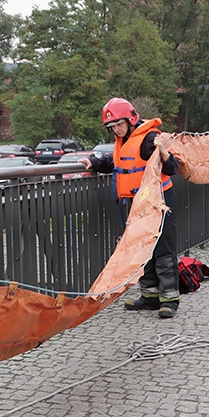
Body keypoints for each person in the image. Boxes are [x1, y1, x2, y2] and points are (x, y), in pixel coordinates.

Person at [80, 97, 181, 319]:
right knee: (141, 250)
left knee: (163, 250)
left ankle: (169, 299)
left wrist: (164, 154)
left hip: (159, 201)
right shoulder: (124, 140)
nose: (116, 129)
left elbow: (173, 167)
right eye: (111, 127)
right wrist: (95, 162)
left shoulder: (150, 139)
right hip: (138, 205)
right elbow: (119, 163)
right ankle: (150, 296)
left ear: (131, 119)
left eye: (119, 124)